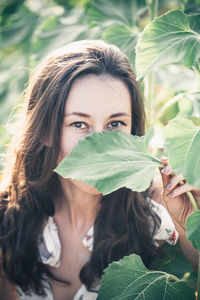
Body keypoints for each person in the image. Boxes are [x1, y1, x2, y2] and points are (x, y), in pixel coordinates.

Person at [0, 40, 199, 300]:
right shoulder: (8, 218)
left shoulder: (161, 209)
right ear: (46, 131)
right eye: (80, 124)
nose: (102, 145)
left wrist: (192, 225)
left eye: (115, 123)